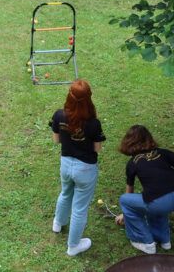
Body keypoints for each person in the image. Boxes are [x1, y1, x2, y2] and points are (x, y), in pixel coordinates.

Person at [116, 125, 174, 254]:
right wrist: (173, 180)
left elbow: (129, 191)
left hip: (159, 202)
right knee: (153, 201)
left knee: (126, 200)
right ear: (149, 138)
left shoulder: (133, 163)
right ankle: (164, 240)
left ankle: (145, 242)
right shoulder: (163, 152)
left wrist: (124, 214)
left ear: (128, 142)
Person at [49, 79, 106, 257]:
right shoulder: (93, 123)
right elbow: (97, 148)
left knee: (66, 192)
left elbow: (56, 140)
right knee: (80, 208)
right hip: (85, 169)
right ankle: (73, 246)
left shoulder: (59, 115)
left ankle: (58, 223)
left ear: (69, 96)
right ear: (89, 99)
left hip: (66, 164)